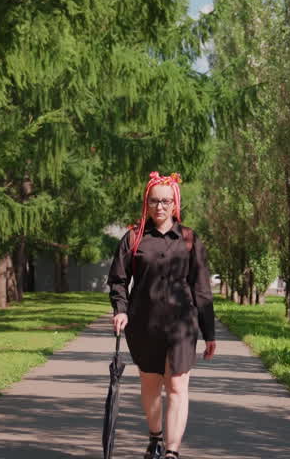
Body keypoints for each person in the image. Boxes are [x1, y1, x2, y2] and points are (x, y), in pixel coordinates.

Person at [108, 171, 216, 459]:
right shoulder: (133, 238)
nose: (160, 207)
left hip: (183, 326)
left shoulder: (190, 240)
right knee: (151, 384)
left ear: (175, 203)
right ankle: (155, 437)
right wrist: (120, 310)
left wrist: (210, 333)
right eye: (154, 201)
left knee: (178, 385)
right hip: (145, 324)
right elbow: (118, 279)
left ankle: (172, 451)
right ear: (147, 202)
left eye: (166, 201)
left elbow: (202, 288)